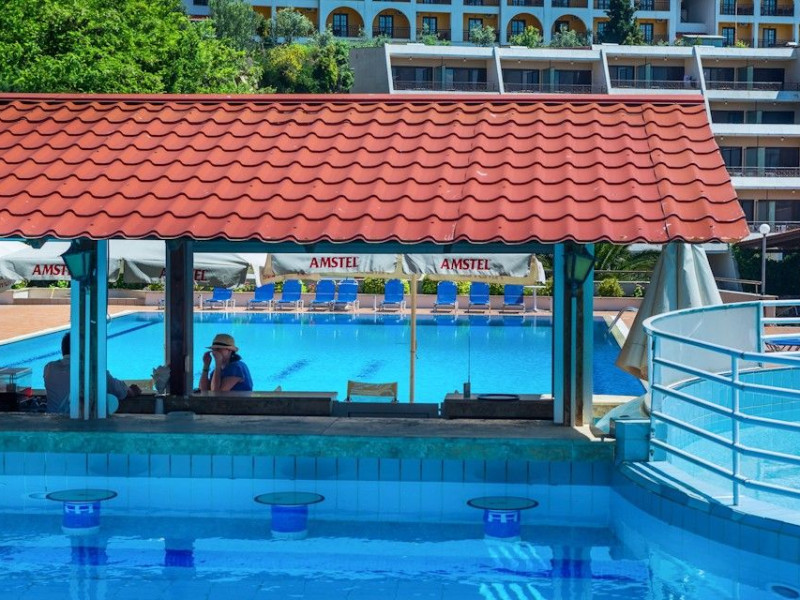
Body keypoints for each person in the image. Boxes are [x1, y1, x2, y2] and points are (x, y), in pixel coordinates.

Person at [43, 332, 141, 414]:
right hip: (80, 425)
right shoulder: (91, 370)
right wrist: (131, 390)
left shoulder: (49, 368)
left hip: (54, 426)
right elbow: (119, 390)